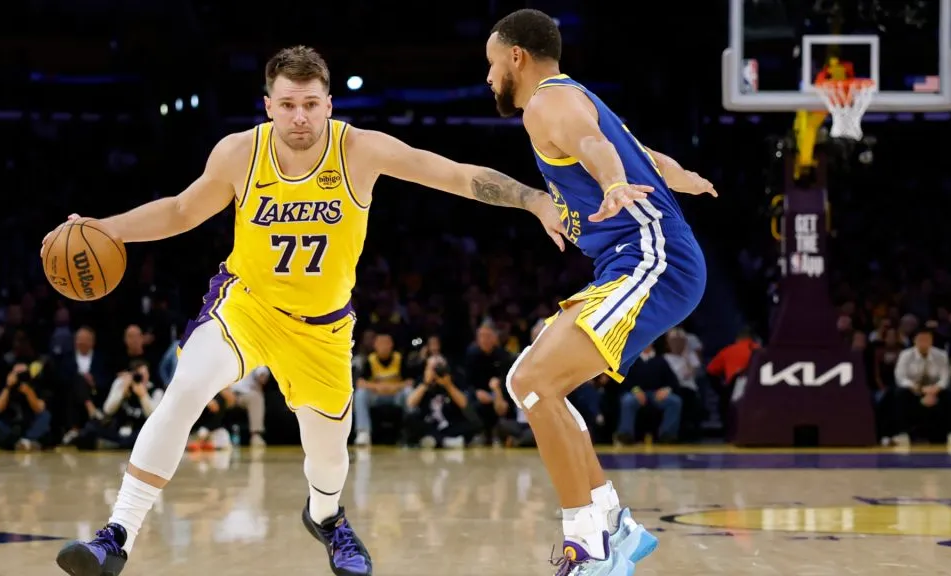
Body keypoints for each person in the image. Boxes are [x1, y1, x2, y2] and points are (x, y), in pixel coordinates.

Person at [46, 45, 563, 576]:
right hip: (247, 307)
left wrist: (533, 200)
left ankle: (327, 518)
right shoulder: (239, 153)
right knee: (185, 389)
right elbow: (181, 210)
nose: (300, 116)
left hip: (322, 329)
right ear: (268, 105)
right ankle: (117, 536)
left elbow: (452, 174)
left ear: (330, 105)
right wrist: (108, 228)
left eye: (311, 104)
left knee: (328, 461)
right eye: (288, 104)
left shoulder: (359, 150)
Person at [485, 9, 716, 576]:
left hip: (652, 260)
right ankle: (613, 523)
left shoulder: (548, 104)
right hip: (633, 261)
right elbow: (646, 156)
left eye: (491, 63)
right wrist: (680, 177)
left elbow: (595, 145)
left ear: (516, 56)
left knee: (536, 384)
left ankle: (588, 543)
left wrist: (614, 184)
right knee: (531, 385)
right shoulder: (571, 97)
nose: (489, 77)